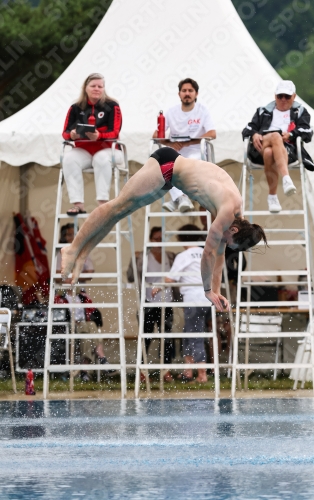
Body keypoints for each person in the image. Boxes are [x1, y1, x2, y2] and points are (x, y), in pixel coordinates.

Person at [61, 147, 267, 313]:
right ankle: (72, 249)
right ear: (233, 229)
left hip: (169, 181)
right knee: (117, 206)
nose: (224, 242)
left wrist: (215, 291)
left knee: (119, 215)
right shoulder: (225, 214)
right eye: (228, 240)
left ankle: (82, 254)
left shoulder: (234, 220)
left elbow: (219, 258)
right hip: (165, 165)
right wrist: (207, 291)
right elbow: (207, 256)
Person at [242, 80, 314, 213]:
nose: (283, 99)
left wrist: (291, 134)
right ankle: (286, 179)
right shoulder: (262, 111)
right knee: (275, 135)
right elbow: (246, 129)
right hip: (259, 150)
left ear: (294, 96)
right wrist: (254, 134)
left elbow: (308, 132)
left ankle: (272, 197)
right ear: (275, 96)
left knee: (270, 152)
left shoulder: (301, 112)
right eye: (280, 96)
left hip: (288, 150)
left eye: (287, 96)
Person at [62, 73, 123, 216]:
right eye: (93, 86)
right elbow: (65, 132)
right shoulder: (76, 108)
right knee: (69, 158)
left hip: (110, 150)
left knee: (101, 159)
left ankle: (102, 203)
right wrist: (72, 135)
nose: (97, 89)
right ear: (85, 88)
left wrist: (99, 135)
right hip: (84, 150)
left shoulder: (112, 105)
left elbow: (115, 132)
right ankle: (78, 205)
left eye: (100, 86)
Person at [55, 223, 110, 381]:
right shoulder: (61, 297)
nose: (72, 237)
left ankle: (89, 367)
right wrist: (78, 273)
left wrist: (72, 273)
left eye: (74, 234)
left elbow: (90, 273)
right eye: (69, 234)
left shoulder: (82, 296)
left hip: (83, 324)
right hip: (70, 324)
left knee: (90, 327)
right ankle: (97, 361)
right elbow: (59, 274)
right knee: (87, 330)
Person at [152, 78, 216, 213]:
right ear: (179, 94)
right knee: (162, 162)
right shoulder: (171, 112)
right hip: (176, 151)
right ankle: (181, 198)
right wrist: (171, 143)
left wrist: (189, 142)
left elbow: (212, 133)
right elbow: (156, 135)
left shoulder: (203, 111)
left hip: (197, 151)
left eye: (190, 91)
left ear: (196, 94)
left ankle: (177, 199)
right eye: (184, 91)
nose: (187, 93)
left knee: (186, 163)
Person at [127, 226, 179, 383]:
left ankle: (166, 370)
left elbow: (177, 277)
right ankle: (141, 371)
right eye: (155, 239)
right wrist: (134, 260)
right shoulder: (142, 257)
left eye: (161, 239)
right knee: (146, 337)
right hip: (148, 302)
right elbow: (130, 277)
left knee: (166, 338)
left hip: (167, 301)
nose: (158, 242)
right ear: (150, 240)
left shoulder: (171, 256)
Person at [165, 224, 210, 383]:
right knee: (189, 333)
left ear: (181, 239)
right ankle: (188, 370)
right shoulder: (206, 253)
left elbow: (170, 279)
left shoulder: (184, 256)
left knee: (194, 336)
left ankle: (202, 374)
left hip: (192, 300)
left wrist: (157, 286)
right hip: (207, 300)